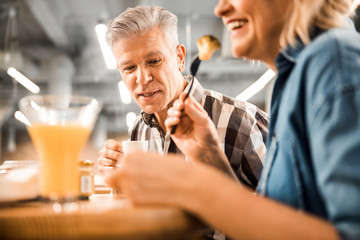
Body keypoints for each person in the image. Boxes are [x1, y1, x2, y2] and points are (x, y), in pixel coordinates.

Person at [105, 0, 360, 239]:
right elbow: (270, 219)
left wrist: (191, 185)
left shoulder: (333, 66)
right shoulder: (293, 80)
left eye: (154, 61)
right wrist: (210, 158)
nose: (221, 8)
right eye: (129, 68)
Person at [98, 5, 269, 188]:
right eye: (129, 68)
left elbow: (289, 209)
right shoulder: (139, 130)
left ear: (179, 57)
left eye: (154, 61)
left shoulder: (242, 123)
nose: (143, 79)